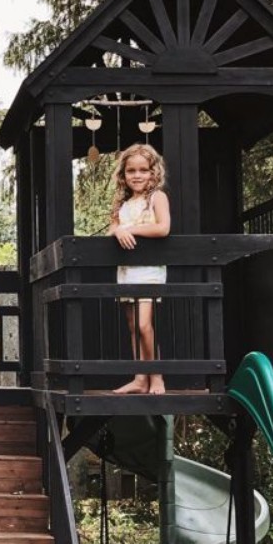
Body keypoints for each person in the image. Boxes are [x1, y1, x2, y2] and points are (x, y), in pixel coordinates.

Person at [108, 143, 171, 394]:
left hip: (149, 270)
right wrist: (118, 231)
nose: (137, 175)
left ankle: (157, 377)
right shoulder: (121, 204)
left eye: (143, 170)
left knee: (145, 325)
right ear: (123, 174)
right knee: (133, 325)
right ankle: (139, 378)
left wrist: (129, 229)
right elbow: (112, 229)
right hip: (126, 270)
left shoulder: (157, 197)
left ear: (153, 172)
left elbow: (163, 227)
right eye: (131, 171)